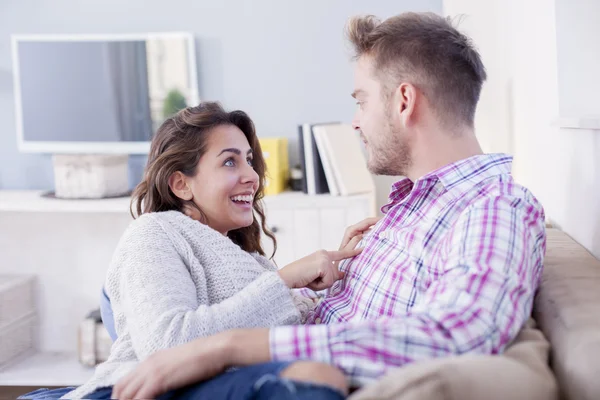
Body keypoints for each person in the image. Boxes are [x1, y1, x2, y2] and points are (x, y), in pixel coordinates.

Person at [111, 11, 547, 400]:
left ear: (404, 100)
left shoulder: (494, 206)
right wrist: (344, 275)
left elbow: (462, 331)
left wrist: (230, 345)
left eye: (361, 100)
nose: (355, 120)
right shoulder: (412, 207)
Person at [19, 103, 369, 400]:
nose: (253, 176)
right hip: (148, 389)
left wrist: (338, 269)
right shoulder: (155, 232)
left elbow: (276, 317)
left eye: (249, 160)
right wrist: (284, 280)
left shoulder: (248, 257)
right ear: (181, 184)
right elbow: (165, 345)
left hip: (209, 386)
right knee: (311, 384)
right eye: (230, 162)